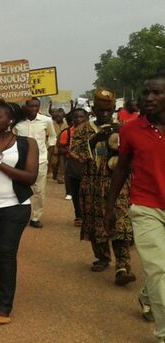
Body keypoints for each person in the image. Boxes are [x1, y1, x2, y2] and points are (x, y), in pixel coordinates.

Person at [106, 71, 165, 341]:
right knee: (158, 269)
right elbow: (121, 169)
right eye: (146, 92)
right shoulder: (129, 130)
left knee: (158, 276)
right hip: (146, 206)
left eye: (157, 93)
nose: (149, 98)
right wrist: (110, 206)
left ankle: (147, 295)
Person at [0, 100, 39, 325]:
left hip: (15, 207)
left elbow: (30, 177)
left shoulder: (27, 143)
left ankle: (4, 305)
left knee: (5, 252)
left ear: (10, 120)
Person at [70, 88, 135, 285]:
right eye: (100, 110)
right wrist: (95, 140)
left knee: (120, 222)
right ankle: (103, 257)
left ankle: (123, 267)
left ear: (114, 108)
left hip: (119, 183)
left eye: (108, 110)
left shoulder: (124, 128)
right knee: (95, 222)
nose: (104, 114)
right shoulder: (83, 130)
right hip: (92, 183)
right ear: (93, 109)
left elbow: (135, 155)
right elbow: (75, 155)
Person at [13, 97, 57, 228]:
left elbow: (52, 136)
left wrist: (49, 149)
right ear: (25, 107)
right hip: (20, 161)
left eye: (35, 106)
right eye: (30, 106)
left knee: (38, 190)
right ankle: (19, 215)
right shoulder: (18, 123)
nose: (33, 109)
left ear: (39, 107)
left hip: (40, 161)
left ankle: (35, 217)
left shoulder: (46, 121)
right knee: (19, 188)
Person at [60, 108, 89, 226]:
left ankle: (88, 216)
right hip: (73, 166)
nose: (79, 119)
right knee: (76, 193)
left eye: (81, 117)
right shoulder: (67, 132)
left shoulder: (93, 131)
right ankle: (78, 216)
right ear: (72, 119)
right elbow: (61, 147)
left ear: (86, 117)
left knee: (88, 193)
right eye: (76, 117)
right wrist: (70, 153)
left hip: (88, 166)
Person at [49, 108, 69, 184]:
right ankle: (55, 172)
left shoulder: (66, 123)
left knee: (62, 162)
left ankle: (60, 177)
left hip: (63, 145)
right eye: (57, 117)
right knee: (54, 162)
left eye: (60, 117)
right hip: (54, 145)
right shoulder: (51, 123)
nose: (58, 118)